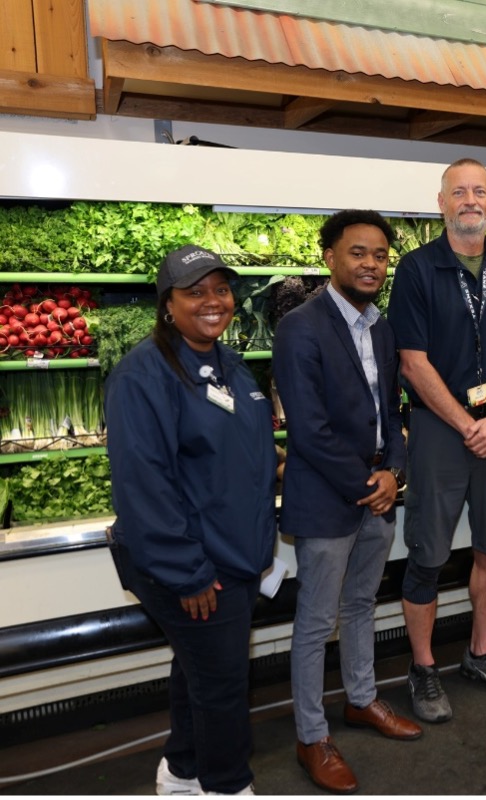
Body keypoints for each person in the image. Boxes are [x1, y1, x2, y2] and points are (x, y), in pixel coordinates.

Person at [105, 245, 276, 796]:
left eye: (221, 290)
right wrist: (189, 572)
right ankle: (227, 785)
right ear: (167, 304)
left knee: (199, 670)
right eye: (194, 292)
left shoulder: (230, 365)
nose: (213, 302)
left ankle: (181, 773)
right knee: (224, 684)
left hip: (234, 556)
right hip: (193, 564)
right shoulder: (143, 375)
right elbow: (144, 483)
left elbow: (237, 454)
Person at [273, 210, 422, 795]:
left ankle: (362, 700)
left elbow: (390, 408)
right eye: (357, 253)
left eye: (379, 255)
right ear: (330, 256)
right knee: (315, 621)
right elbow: (307, 429)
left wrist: (395, 470)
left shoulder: (380, 328)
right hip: (331, 498)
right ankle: (312, 735)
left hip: (377, 497)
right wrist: (372, 482)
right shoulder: (301, 327)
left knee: (361, 604)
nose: (370, 264)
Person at [386, 158, 486, 722]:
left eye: (479, 191)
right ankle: (423, 668)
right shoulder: (417, 269)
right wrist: (465, 422)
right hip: (438, 430)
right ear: (442, 202)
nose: (470, 200)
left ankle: (481, 653)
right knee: (427, 551)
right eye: (459, 192)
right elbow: (412, 360)